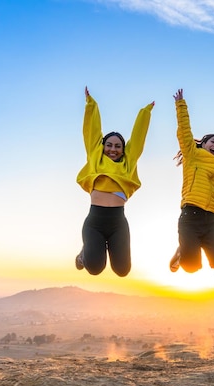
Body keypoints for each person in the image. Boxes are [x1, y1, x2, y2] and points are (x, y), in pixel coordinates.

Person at [75, 86, 154, 277]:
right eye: (109, 145)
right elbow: (92, 131)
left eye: (118, 146)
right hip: (94, 221)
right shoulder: (96, 158)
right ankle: (85, 253)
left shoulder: (128, 163)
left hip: (118, 222)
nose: (113, 149)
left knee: (122, 270)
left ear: (123, 149)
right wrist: (91, 104)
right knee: (94, 269)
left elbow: (138, 138)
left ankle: (99, 249)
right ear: (102, 147)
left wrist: (145, 112)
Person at [169, 88, 214, 273]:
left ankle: (192, 247)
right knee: (191, 268)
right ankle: (183, 252)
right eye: (213, 141)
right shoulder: (192, 154)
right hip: (191, 215)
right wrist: (181, 105)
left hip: (213, 219)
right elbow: (184, 131)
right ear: (204, 143)